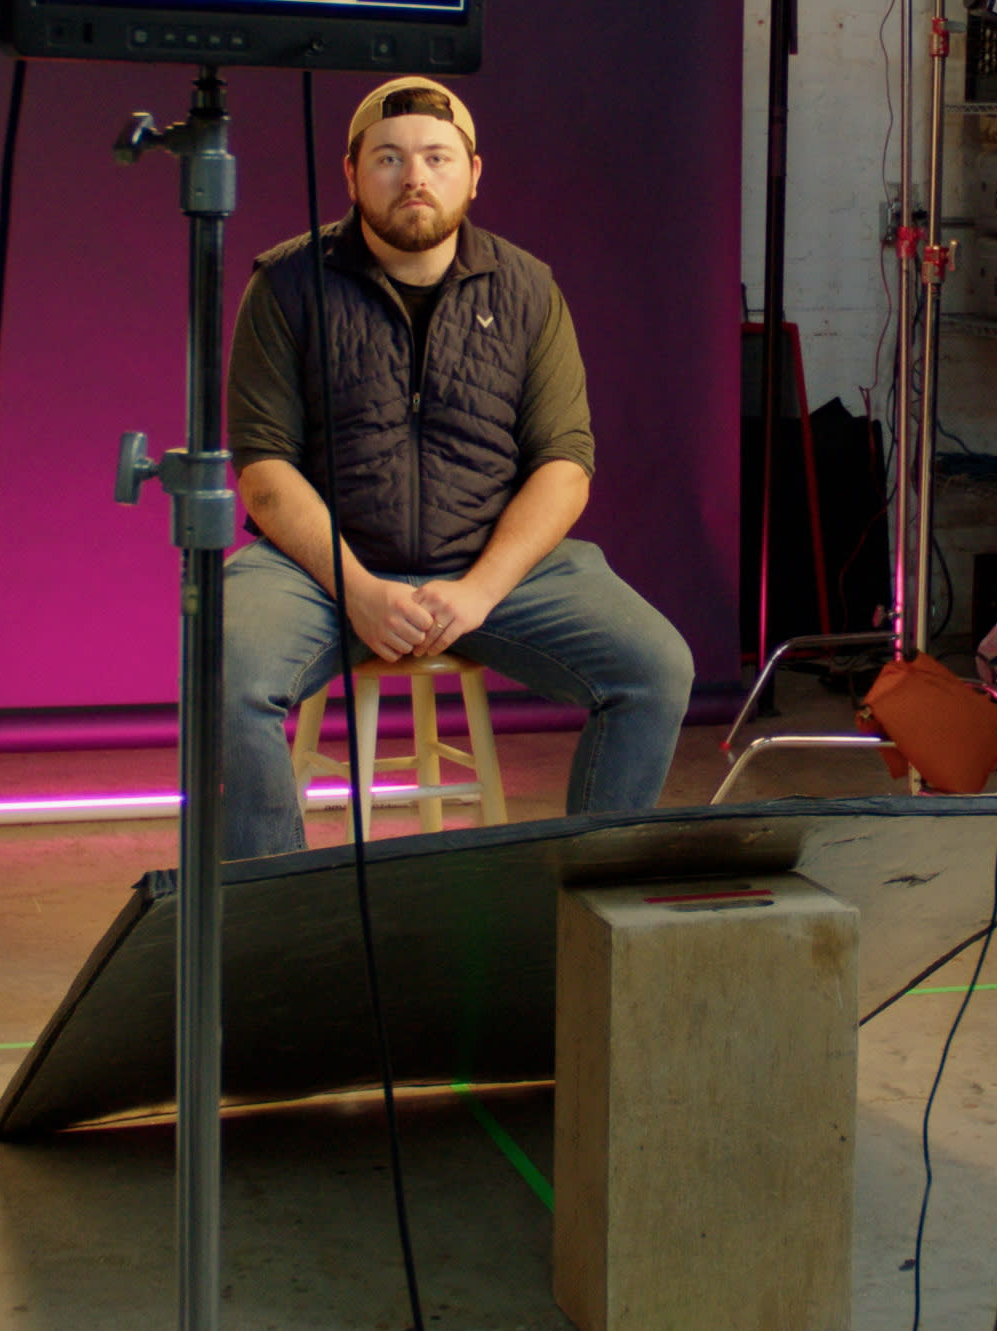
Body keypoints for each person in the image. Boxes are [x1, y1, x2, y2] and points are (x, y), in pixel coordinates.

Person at [215, 78, 695, 858]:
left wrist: (481, 589)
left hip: (490, 566)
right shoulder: (287, 285)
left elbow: (565, 466)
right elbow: (264, 468)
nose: (414, 178)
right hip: (318, 569)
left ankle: (586, 902)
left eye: (437, 158)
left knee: (656, 668)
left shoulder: (528, 288)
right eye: (390, 159)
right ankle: (276, 916)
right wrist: (360, 591)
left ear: (473, 173)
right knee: (226, 674)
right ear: (350, 174)